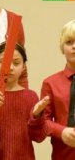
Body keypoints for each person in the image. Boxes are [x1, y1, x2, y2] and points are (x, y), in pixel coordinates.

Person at [28, 20, 75, 160]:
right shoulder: (50, 83)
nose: (74, 46)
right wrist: (61, 132)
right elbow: (44, 121)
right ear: (62, 47)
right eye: (69, 42)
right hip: (64, 154)